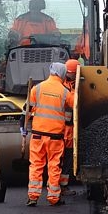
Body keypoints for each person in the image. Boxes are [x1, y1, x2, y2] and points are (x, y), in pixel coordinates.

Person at [23, 61, 75, 206]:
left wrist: (23, 126)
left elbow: (27, 109)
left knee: (36, 165)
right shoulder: (65, 91)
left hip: (38, 135)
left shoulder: (37, 88)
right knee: (54, 166)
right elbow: (75, 106)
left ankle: (33, 196)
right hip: (55, 137)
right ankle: (53, 197)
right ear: (63, 74)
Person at [58, 59, 80, 196]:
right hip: (62, 129)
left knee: (67, 160)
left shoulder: (77, 85)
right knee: (60, 159)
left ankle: (63, 186)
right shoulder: (63, 87)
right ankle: (57, 186)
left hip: (72, 129)